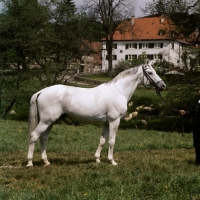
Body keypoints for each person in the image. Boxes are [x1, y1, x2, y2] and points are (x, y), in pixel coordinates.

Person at [179, 90, 200, 166]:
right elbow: (191, 111)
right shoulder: (196, 102)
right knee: (197, 144)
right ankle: (198, 161)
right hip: (196, 127)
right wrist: (185, 113)